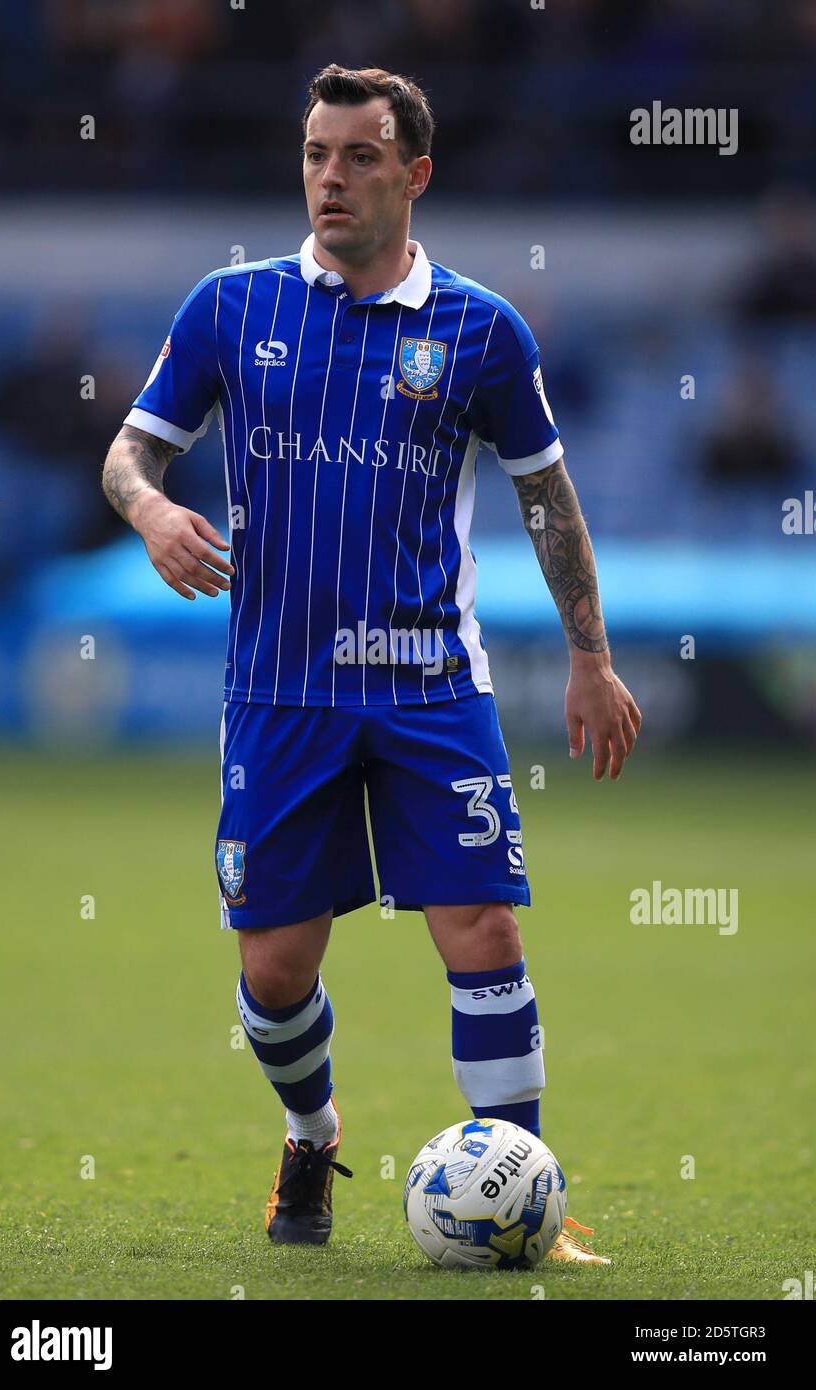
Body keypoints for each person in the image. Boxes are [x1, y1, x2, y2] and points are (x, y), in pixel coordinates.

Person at [102, 63, 641, 1265]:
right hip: (280, 692)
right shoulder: (230, 308)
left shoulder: (482, 330)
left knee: (484, 931)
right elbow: (129, 454)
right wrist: (150, 511)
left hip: (431, 685)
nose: (330, 177)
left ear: (414, 174)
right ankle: (313, 1130)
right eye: (315, 154)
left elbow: (547, 496)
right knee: (274, 970)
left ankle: (526, 1199)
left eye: (358, 155)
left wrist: (590, 657)